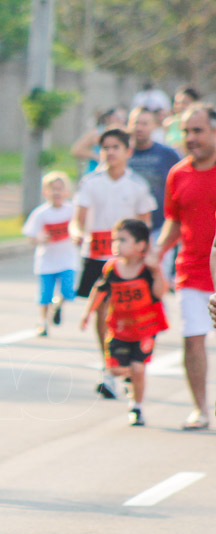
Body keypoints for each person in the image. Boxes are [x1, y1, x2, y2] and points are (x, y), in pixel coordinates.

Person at [70, 128, 156, 399]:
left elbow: (146, 224)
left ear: (128, 151)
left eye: (115, 147)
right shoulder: (90, 182)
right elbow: (78, 218)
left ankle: (129, 363)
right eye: (105, 147)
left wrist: (144, 255)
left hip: (128, 259)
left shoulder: (137, 185)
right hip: (98, 255)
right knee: (102, 311)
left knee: (129, 312)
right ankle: (109, 365)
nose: (110, 152)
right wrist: (77, 233)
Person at [158, 104, 216, 430]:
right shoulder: (178, 173)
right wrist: (155, 252)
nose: (190, 138)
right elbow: (174, 222)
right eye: (186, 132)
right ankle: (201, 409)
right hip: (191, 272)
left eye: (198, 131)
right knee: (193, 340)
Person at [80, 219, 167, 427]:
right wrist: (87, 313)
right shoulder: (112, 268)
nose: (116, 244)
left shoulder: (147, 269)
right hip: (119, 328)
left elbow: (159, 292)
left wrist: (156, 272)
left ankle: (136, 407)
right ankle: (132, 381)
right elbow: (99, 290)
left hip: (145, 328)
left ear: (141, 245)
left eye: (122, 240)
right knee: (118, 370)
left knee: (138, 368)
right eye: (114, 240)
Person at [22, 171, 78, 336]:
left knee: (68, 291)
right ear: (45, 192)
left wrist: (78, 236)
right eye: (52, 189)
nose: (57, 193)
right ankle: (43, 322)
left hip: (67, 259)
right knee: (44, 295)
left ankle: (58, 303)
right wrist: (40, 238)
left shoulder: (72, 210)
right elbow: (31, 236)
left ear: (67, 192)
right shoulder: (41, 213)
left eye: (60, 189)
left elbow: (80, 226)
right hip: (47, 261)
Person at [127, 107, 181, 244]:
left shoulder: (168, 154)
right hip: (126, 229)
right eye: (135, 123)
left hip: (160, 228)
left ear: (154, 126)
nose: (139, 128)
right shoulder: (120, 153)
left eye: (144, 124)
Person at [71, 108, 128, 175]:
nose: (121, 120)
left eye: (124, 117)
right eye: (118, 117)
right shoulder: (97, 133)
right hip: (95, 171)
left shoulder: (126, 134)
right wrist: (97, 156)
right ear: (108, 118)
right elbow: (76, 150)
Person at [164, 87, 199, 156]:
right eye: (177, 102)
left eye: (184, 103)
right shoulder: (168, 123)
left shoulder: (199, 124)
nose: (180, 106)